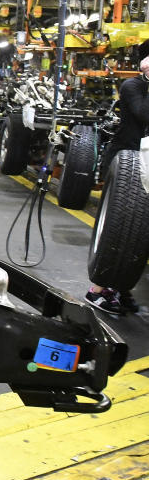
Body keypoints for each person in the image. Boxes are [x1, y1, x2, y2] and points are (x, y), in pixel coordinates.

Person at [85, 54, 149, 317]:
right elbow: (144, 114)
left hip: (144, 161)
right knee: (122, 227)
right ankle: (97, 291)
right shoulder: (132, 87)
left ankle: (121, 290)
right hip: (127, 163)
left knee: (138, 233)